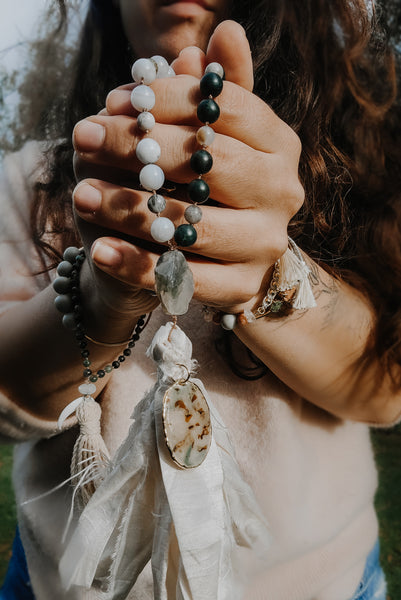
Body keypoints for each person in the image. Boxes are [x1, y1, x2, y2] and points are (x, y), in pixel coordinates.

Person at [0, 0, 400, 598]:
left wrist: (271, 278)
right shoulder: (30, 178)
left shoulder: (360, 157)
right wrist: (100, 300)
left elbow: (386, 388)